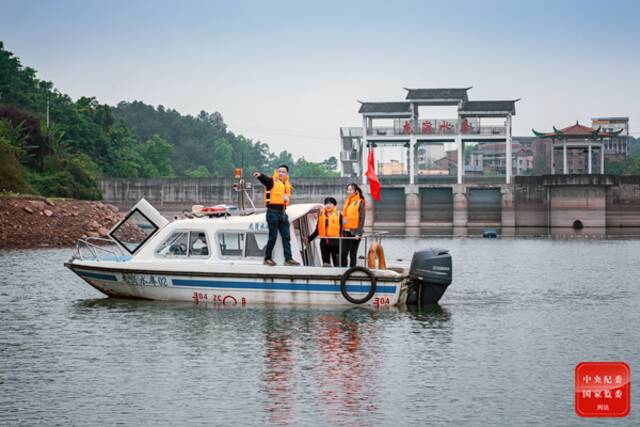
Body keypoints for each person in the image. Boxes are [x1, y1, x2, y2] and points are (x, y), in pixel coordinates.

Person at [253, 165, 300, 266]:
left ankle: (288, 259)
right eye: (279, 171)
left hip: (283, 213)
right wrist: (260, 175)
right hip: (272, 212)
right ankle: (267, 258)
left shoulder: (286, 185)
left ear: (287, 174)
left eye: (283, 172)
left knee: (286, 237)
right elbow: (265, 180)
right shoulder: (272, 181)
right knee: (272, 237)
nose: (280, 173)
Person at [306, 197, 342, 267]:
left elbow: (343, 229)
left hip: (335, 243)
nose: (328, 205)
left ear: (334, 205)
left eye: (330, 204)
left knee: (337, 263)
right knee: (326, 263)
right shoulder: (321, 215)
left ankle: (338, 277)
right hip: (324, 243)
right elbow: (317, 230)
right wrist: (309, 238)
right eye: (326, 203)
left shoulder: (339, 215)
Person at [341, 183, 366, 267]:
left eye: (351, 189)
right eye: (348, 189)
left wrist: (358, 233)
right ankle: (343, 270)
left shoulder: (360, 202)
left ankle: (352, 271)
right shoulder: (347, 201)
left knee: (352, 253)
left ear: (356, 191)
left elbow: (362, 218)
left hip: (355, 232)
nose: (349, 191)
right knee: (343, 252)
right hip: (346, 231)